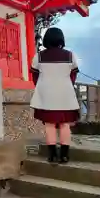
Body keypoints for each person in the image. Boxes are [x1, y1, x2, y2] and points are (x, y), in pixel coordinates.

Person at [30, 27, 80, 164]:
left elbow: (35, 75)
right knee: (65, 125)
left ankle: (52, 156)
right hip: (65, 94)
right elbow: (73, 75)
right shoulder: (70, 55)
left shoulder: (38, 56)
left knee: (49, 125)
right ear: (61, 39)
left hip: (46, 94)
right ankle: (64, 156)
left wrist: (42, 87)